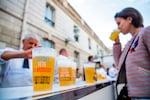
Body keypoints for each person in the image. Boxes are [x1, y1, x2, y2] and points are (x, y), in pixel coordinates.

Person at [113, 7, 150, 99]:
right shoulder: (129, 43)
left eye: (119, 23)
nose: (118, 27)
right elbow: (119, 63)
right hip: (133, 95)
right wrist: (117, 43)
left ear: (129, 19)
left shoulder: (145, 32)